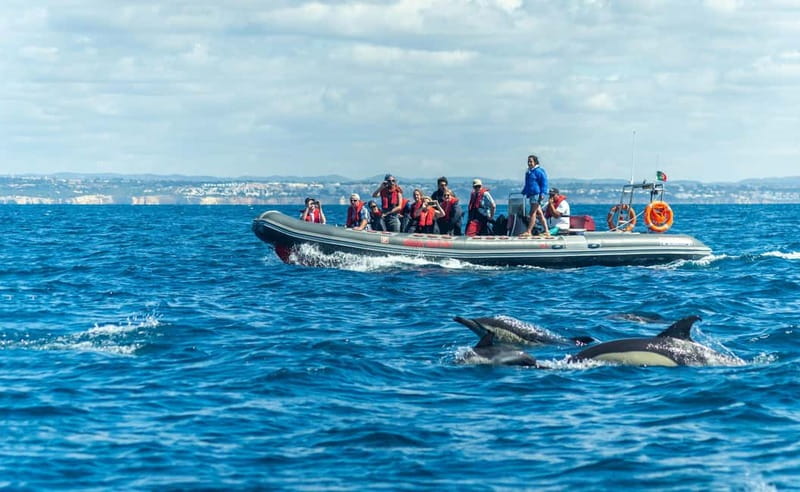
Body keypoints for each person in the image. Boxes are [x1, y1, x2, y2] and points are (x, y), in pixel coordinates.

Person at [520, 154, 549, 237]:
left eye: (531, 161)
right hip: (531, 194)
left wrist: (543, 193)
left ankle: (529, 231)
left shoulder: (539, 171)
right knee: (539, 214)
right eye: (528, 161)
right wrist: (524, 191)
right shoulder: (529, 172)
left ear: (535, 162)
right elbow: (528, 184)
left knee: (532, 213)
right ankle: (547, 230)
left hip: (536, 194)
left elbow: (544, 183)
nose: (529, 163)